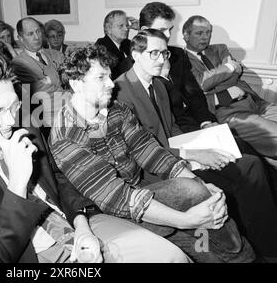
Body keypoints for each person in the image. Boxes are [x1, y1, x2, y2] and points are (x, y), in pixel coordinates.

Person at [0, 44, 191, 263]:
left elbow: (60, 179)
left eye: (13, 105)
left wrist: (83, 229)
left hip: (74, 223)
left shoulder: (26, 121)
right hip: (30, 255)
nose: (8, 121)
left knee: (172, 257)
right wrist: (17, 184)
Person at [49, 44, 255, 263]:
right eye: (100, 78)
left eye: (109, 76)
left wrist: (199, 184)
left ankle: (234, 252)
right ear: (75, 84)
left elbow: (150, 151)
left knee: (205, 236)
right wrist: (186, 220)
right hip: (107, 214)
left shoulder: (115, 110)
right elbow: (115, 197)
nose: (111, 84)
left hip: (140, 194)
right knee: (194, 198)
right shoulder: (66, 134)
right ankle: (237, 253)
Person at [114, 29, 277, 261]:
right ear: (135, 54)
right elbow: (141, 149)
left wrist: (200, 141)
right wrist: (195, 153)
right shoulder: (120, 92)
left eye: (165, 53)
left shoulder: (158, 85)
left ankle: (265, 242)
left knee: (250, 162)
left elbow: (171, 128)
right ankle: (263, 248)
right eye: (154, 53)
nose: (162, 60)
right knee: (246, 171)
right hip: (155, 171)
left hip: (178, 153)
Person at [183, 15, 277, 160]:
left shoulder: (220, 49)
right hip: (229, 112)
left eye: (208, 32)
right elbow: (202, 83)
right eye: (199, 33)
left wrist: (214, 81)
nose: (205, 37)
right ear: (186, 35)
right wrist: (227, 68)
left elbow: (236, 74)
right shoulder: (182, 60)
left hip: (255, 101)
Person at [11, 17, 68, 131]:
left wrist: (48, 79)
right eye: (30, 34)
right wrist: (57, 76)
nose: (37, 37)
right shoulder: (19, 63)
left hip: (68, 109)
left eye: (38, 31)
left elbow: (73, 78)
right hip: (45, 118)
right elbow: (38, 90)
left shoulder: (57, 54)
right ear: (20, 38)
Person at [95, 10, 137, 79]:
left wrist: (141, 29)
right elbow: (116, 75)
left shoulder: (126, 43)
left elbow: (143, 54)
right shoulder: (101, 48)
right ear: (108, 29)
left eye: (127, 25)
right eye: (121, 26)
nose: (126, 29)